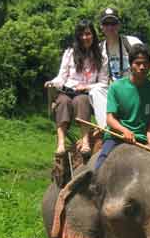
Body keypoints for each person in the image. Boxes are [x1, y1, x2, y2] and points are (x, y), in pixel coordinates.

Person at [87, 7, 150, 132]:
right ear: (101, 26)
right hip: (114, 91)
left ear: (119, 25)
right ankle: (107, 128)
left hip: (133, 88)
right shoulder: (100, 49)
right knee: (96, 91)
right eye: (106, 23)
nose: (110, 27)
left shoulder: (131, 42)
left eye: (113, 23)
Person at [45, 20, 108, 155]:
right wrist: (52, 83)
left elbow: (103, 82)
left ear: (93, 35)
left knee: (82, 101)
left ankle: (85, 142)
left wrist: (87, 86)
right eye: (81, 35)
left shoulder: (101, 57)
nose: (85, 38)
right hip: (67, 90)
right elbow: (61, 77)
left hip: (85, 94)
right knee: (63, 102)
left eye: (88, 34)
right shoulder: (69, 53)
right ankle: (61, 143)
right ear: (77, 37)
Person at [94, 43, 150, 170]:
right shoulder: (116, 87)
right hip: (116, 137)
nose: (142, 67)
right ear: (131, 64)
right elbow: (110, 119)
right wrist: (124, 131)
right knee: (101, 163)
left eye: (146, 63)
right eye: (138, 63)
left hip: (141, 139)